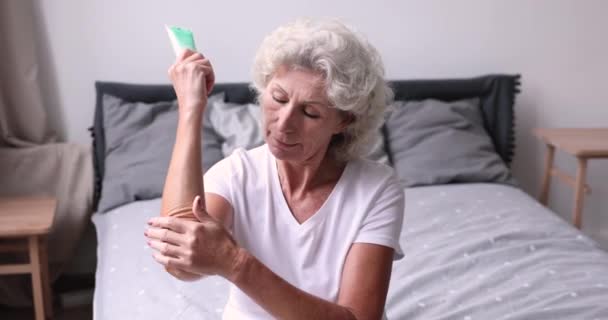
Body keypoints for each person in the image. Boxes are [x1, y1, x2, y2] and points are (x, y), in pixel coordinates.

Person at [144, 18, 404, 320]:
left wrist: (234, 262)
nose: (283, 124)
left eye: (310, 112)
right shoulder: (235, 175)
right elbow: (180, 263)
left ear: (344, 121)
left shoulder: (377, 189)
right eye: (278, 98)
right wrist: (191, 107)